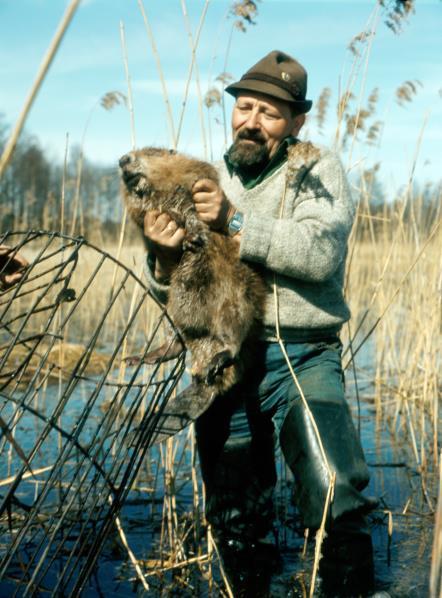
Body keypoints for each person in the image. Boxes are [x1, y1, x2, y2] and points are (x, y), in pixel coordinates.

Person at [143, 50, 377, 596]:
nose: (251, 120)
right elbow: (174, 287)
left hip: (303, 355)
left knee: (334, 488)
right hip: (223, 362)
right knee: (235, 514)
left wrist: (233, 219)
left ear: (296, 121)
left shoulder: (317, 170)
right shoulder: (206, 175)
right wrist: (162, 256)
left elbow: (320, 253)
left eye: (269, 113)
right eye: (244, 106)